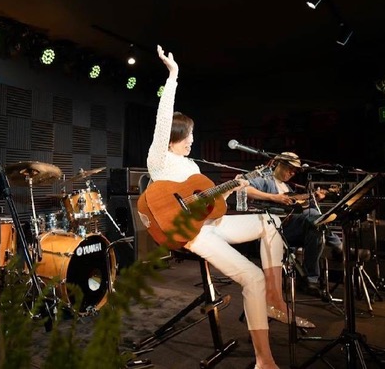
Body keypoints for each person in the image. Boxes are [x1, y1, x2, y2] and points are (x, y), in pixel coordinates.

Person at [145, 45, 313, 369]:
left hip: (212, 224)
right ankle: (264, 360)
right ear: (174, 136)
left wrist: (232, 187)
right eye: (189, 135)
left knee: (270, 221)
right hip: (194, 235)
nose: (193, 139)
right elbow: (162, 119)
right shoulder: (159, 159)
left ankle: (275, 299)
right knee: (252, 277)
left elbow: (211, 206)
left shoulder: (192, 166)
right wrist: (173, 75)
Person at [245, 152, 343, 295]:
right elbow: (245, 189)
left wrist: (315, 199)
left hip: (293, 229)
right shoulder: (265, 179)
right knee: (313, 215)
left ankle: (310, 281)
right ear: (278, 164)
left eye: (295, 170)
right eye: (289, 168)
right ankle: (339, 246)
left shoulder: (288, 188)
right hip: (277, 230)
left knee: (316, 230)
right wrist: (274, 197)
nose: (292, 173)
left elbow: (298, 211)